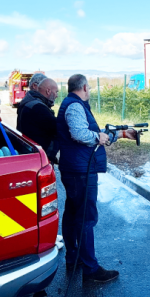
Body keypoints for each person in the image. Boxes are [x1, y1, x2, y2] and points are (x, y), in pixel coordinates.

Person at [56, 73, 136, 284]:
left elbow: (90, 131)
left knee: (74, 214)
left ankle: (75, 258)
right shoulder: (74, 106)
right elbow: (80, 134)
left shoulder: (73, 105)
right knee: (86, 218)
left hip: (77, 168)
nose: (90, 91)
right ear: (83, 87)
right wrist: (97, 137)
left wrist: (120, 134)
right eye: (89, 88)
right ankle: (90, 269)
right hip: (80, 170)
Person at [16, 77, 59, 163]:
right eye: (56, 92)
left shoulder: (29, 101)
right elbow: (57, 128)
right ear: (48, 91)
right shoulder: (38, 107)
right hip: (38, 157)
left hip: (29, 151)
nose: (57, 95)